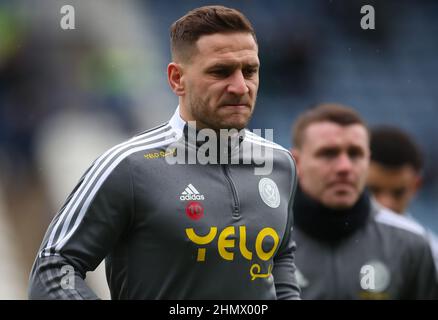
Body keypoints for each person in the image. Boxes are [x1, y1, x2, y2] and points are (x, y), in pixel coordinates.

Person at [28, 5, 300, 299]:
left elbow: (280, 260)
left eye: (250, 71)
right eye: (220, 71)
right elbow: (53, 267)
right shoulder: (128, 167)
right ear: (176, 79)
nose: (239, 86)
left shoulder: (280, 164)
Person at [290, 103, 437, 299]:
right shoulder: (259, 240)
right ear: (295, 162)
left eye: (355, 154)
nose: (344, 167)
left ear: (368, 160)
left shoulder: (413, 245)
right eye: (328, 153)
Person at [367, 125, 438, 275]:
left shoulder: (431, 254)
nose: (385, 203)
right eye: (373, 190)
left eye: (398, 192)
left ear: (416, 186)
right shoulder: (323, 245)